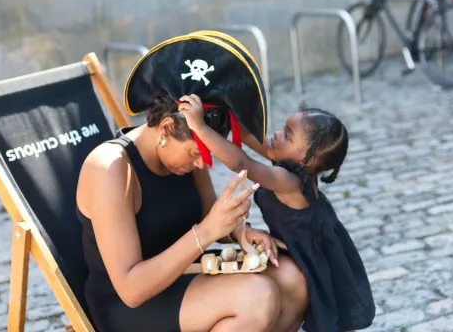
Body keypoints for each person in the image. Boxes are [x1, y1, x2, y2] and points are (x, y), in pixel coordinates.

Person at [76, 33, 308, 332]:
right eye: (196, 153)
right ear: (168, 127)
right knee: (256, 298)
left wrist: (241, 232)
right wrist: (210, 229)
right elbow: (131, 289)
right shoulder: (111, 168)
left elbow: (209, 216)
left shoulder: (188, 155)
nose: (203, 164)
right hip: (130, 304)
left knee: (293, 280)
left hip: (187, 274)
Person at [178, 94, 376, 332]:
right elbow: (250, 138)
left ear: (306, 157)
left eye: (287, 136)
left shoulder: (287, 180)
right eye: (284, 129)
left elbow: (242, 163)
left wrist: (199, 127)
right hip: (315, 247)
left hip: (309, 258)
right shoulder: (296, 164)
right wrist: (229, 112)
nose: (277, 135)